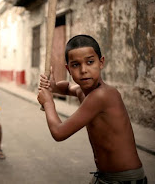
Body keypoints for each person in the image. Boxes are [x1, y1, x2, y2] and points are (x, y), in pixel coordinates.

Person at [37, 35, 147, 183]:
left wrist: (48, 102)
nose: (83, 70)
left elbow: (59, 132)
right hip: (105, 176)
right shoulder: (82, 90)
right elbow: (68, 87)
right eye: (75, 65)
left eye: (90, 62)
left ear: (101, 62)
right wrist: (54, 86)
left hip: (125, 180)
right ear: (68, 69)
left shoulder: (103, 95)